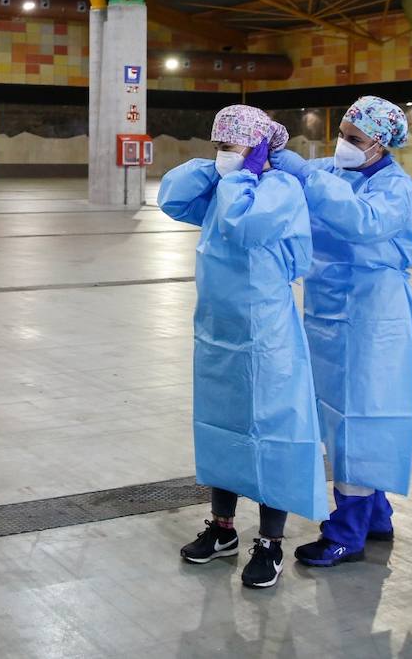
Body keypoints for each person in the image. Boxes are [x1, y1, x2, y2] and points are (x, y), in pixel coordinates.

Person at [158, 104, 327, 590]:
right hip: (219, 331)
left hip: (266, 335)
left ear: (256, 149)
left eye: (229, 147)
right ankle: (223, 527)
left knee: (271, 430)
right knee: (224, 427)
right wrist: (217, 169)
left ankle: (270, 540)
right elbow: (172, 198)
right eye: (217, 147)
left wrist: (240, 178)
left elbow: (242, 225)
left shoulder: (279, 189)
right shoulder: (225, 184)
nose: (222, 156)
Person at [271, 96, 412, 568]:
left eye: (354, 139)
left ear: (380, 143)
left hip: (374, 317)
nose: (343, 145)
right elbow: (301, 186)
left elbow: (363, 221)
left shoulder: (395, 186)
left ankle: (346, 533)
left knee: (361, 416)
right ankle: (375, 513)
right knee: (336, 417)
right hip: (328, 310)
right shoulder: (333, 172)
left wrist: (307, 175)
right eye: (342, 134)